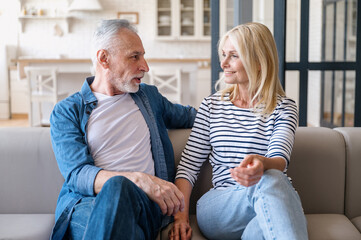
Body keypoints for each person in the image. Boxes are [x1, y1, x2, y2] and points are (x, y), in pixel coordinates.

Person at [49, 19, 197, 240]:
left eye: (143, 56)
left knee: (119, 190)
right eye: (134, 56)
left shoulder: (149, 98)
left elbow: (194, 116)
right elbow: (77, 174)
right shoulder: (67, 111)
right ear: (104, 59)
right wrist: (139, 179)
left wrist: (243, 100)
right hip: (88, 205)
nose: (145, 66)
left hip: (144, 207)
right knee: (119, 200)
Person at [169, 22, 308, 240]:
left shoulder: (283, 107)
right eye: (223, 54)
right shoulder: (211, 106)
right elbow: (188, 168)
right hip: (221, 207)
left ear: (258, 61)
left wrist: (262, 164)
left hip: (273, 201)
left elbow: (279, 160)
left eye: (234, 55)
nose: (223, 63)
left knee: (269, 185)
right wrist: (180, 219)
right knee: (271, 180)